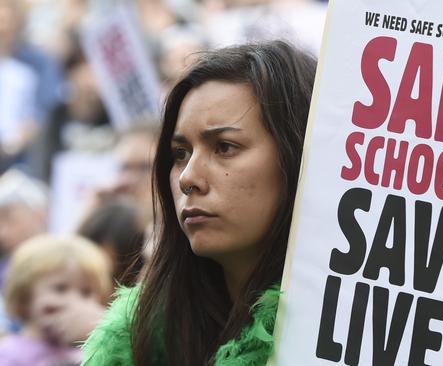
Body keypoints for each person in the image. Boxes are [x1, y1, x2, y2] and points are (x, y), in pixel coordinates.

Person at [82, 40, 316, 365]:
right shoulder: (135, 338)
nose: (187, 178)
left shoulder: (345, 335)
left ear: (297, 155)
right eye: (180, 154)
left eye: (225, 147)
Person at [0, 234, 111, 365]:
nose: (74, 301)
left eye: (86, 292)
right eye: (60, 289)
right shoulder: (9, 353)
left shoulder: (92, 354)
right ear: (24, 296)